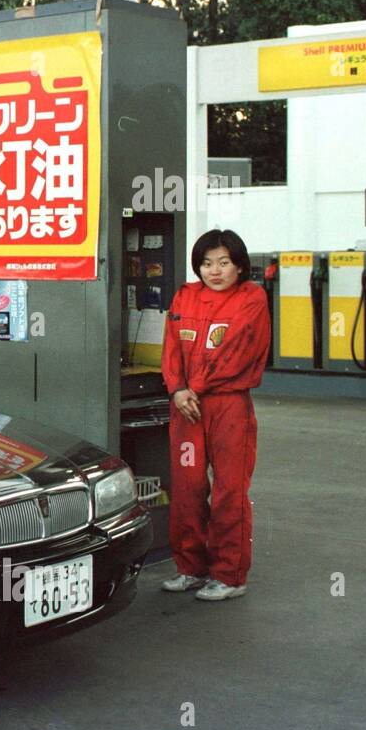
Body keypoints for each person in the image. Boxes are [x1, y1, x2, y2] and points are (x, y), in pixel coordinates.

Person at [160, 228, 271, 601]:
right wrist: (177, 389)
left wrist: (196, 387)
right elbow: (171, 348)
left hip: (228, 405)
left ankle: (230, 575)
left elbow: (237, 351)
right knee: (188, 488)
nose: (215, 271)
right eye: (207, 263)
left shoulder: (251, 299)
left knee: (229, 489)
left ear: (239, 266)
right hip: (186, 406)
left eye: (224, 262)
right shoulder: (185, 296)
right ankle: (190, 568)